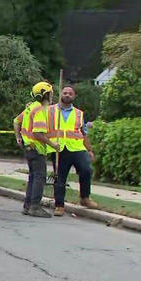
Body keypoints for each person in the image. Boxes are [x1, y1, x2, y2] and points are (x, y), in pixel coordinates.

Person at [48, 85, 99, 216]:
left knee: (86, 170)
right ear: (60, 94)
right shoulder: (51, 111)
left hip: (76, 148)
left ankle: (85, 198)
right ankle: (59, 205)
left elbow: (84, 133)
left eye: (70, 93)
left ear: (74, 96)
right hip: (59, 148)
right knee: (60, 177)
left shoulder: (78, 113)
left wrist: (90, 150)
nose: (67, 95)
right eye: (65, 92)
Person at [13, 81, 60, 218]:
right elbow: (38, 134)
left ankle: (27, 206)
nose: (52, 96)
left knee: (33, 177)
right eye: (50, 93)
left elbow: (16, 121)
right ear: (45, 94)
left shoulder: (31, 107)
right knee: (39, 177)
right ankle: (34, 206)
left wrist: (18, 138)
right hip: (37, 149)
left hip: (29, 149)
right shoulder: (39, 110)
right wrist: (53, 145)